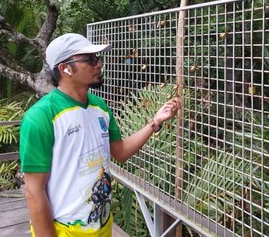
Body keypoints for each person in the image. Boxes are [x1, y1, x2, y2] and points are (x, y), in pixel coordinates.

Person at [20, 33, 180, 237]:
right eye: (90, 59)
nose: (99, 64)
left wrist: (155, 122)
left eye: (97, 58)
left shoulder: (100, 108)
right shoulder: (40, 117)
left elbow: (120, 152)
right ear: (65, 68)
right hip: (64, 231)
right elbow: (33, 191)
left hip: (102, 226)